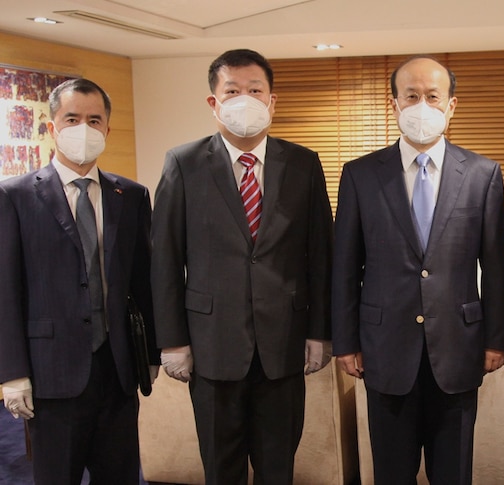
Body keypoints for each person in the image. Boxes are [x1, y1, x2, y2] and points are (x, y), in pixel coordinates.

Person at [151, 49, 333, 484]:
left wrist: (320, 332)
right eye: (232, 91)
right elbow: (165, 260)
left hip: (283, 346)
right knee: (221, 468)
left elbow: (321, 256)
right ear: (213, 102)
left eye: (256, 90)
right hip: (212, 347)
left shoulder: (303, 163)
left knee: (278, 469)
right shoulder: (184, 163)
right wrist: (173, 341)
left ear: (272, 101)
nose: (244, 99)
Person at [332, 55, 504, 484]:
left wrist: (497, 337)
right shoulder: (360, 175)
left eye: (433, 96)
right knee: (392, 473)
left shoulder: (484, 175)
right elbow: (344, 266)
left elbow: (496, 265)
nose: (422, 105)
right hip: (383, 348)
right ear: (394, 104)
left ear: (451, 105)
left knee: (454, 473)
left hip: (459, 348)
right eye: (411, 96)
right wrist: (345, 341)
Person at [0, 78, 158, 483]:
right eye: (72, 118)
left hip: (118, 371)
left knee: (121, 476)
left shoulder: (132, 195)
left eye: (94, 119)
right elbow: (5, 291)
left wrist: (151, 354)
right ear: (52, 126)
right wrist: (11, 373)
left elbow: (144, 282)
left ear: (107, 129)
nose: (83, 129)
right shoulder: (14, 196)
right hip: (51, 375)